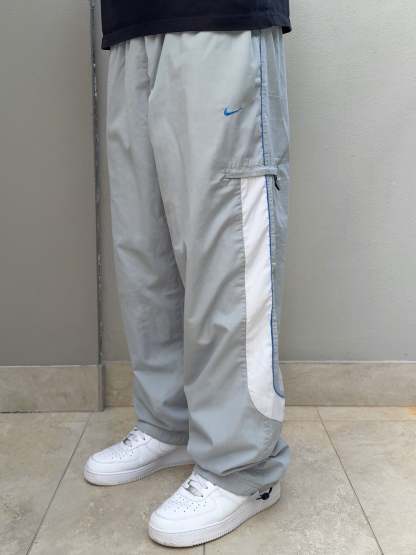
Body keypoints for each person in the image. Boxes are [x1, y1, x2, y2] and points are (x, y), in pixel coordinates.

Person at [84, 0, 292, 547]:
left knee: (227, 251)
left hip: (220, 17)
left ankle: (243, 466)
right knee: (144, 249)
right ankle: (168, 423)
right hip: (130, 26)